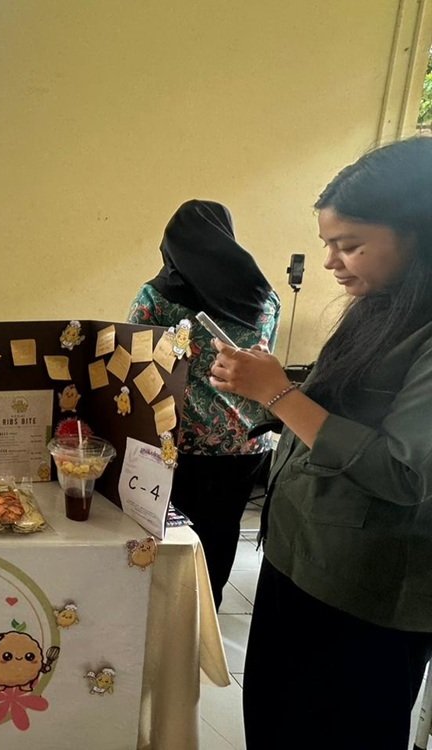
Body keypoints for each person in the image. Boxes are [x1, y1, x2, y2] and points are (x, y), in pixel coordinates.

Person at [208, 138, 432, 747]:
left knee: (340, 730)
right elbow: (343, 407)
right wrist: (267, 388)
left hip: (367, 588)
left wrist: (280, 394)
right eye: (328, 243)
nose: (332, 261)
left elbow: (405, 473)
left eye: (350, 244)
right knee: (275, 717)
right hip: (299, 554)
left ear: (418, 233)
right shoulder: (381, 304)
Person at [127, 199, 281, 610]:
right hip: (246, 441)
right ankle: (205, 613)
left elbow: (137, 362)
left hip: (178, 443)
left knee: (167, 534)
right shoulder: (265, 297)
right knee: (221, 530)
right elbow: (263, 360)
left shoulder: (157, 297)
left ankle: (164, 616)